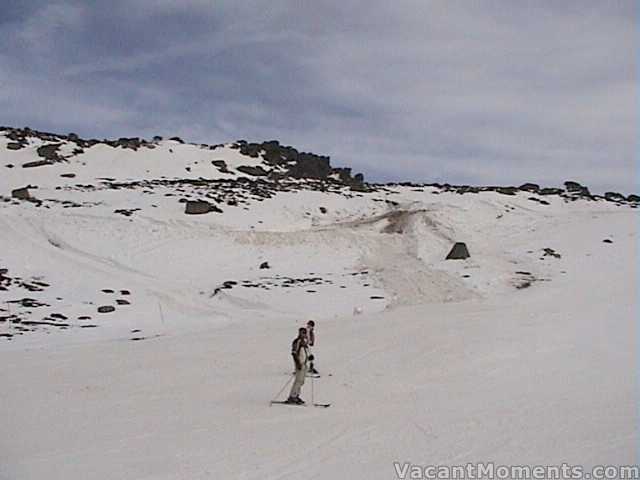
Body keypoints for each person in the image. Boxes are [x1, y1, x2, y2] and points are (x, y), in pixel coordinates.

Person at [286, 327, 309, 404]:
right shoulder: (297, 341)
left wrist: (310, 359)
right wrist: (298, 363)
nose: (303, 334)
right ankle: (292, 397)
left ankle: (296, 395)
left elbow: (305, 353)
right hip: (299, 364)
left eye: (304, 333)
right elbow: (294, 353)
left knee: (301, 381)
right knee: (298, 380)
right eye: (302, 333)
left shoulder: (304, 342)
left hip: (304, 364)